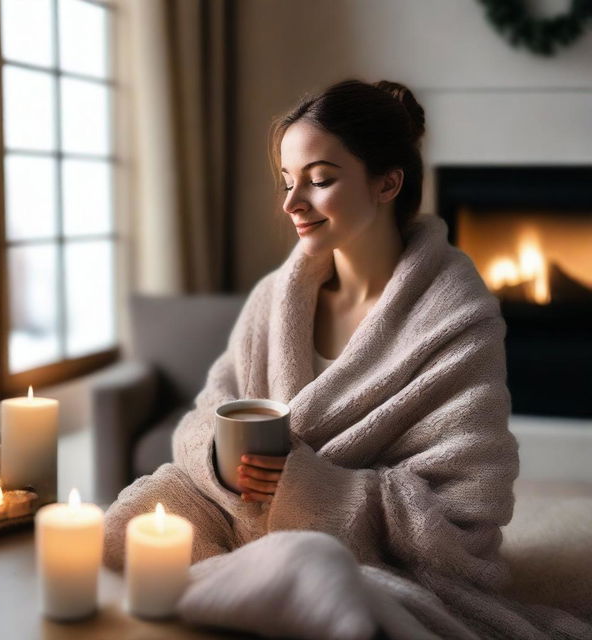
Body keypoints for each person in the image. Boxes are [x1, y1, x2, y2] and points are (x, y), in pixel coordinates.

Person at [103, 79, 592, 639]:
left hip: (375, 558)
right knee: (137, 516)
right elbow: (211, 408)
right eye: (288, 182)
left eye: (320, 180)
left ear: (387, 183)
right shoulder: (275, 298)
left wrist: (307, 485)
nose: (292, 203)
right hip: (237, 516)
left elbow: (463, 517)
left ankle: (245, 593)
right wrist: (219, 461)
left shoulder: (455, 319)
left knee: (316, 571)